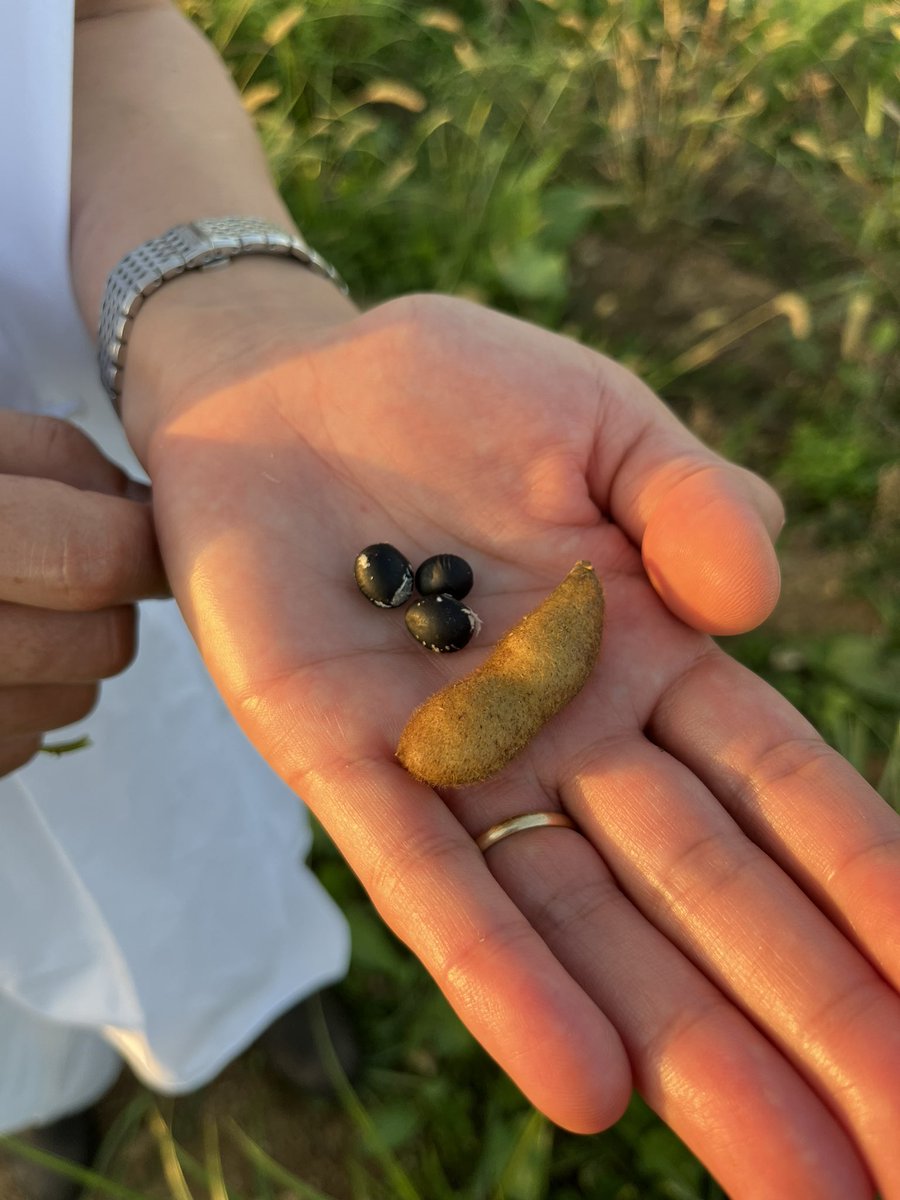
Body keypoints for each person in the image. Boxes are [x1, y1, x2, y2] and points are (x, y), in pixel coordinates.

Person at [3, 2, 900, 1199]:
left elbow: (99, 24)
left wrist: (240, 326)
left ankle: (262, 991)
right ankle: (45, 1096)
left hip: (195, 497)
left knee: (223, 798)